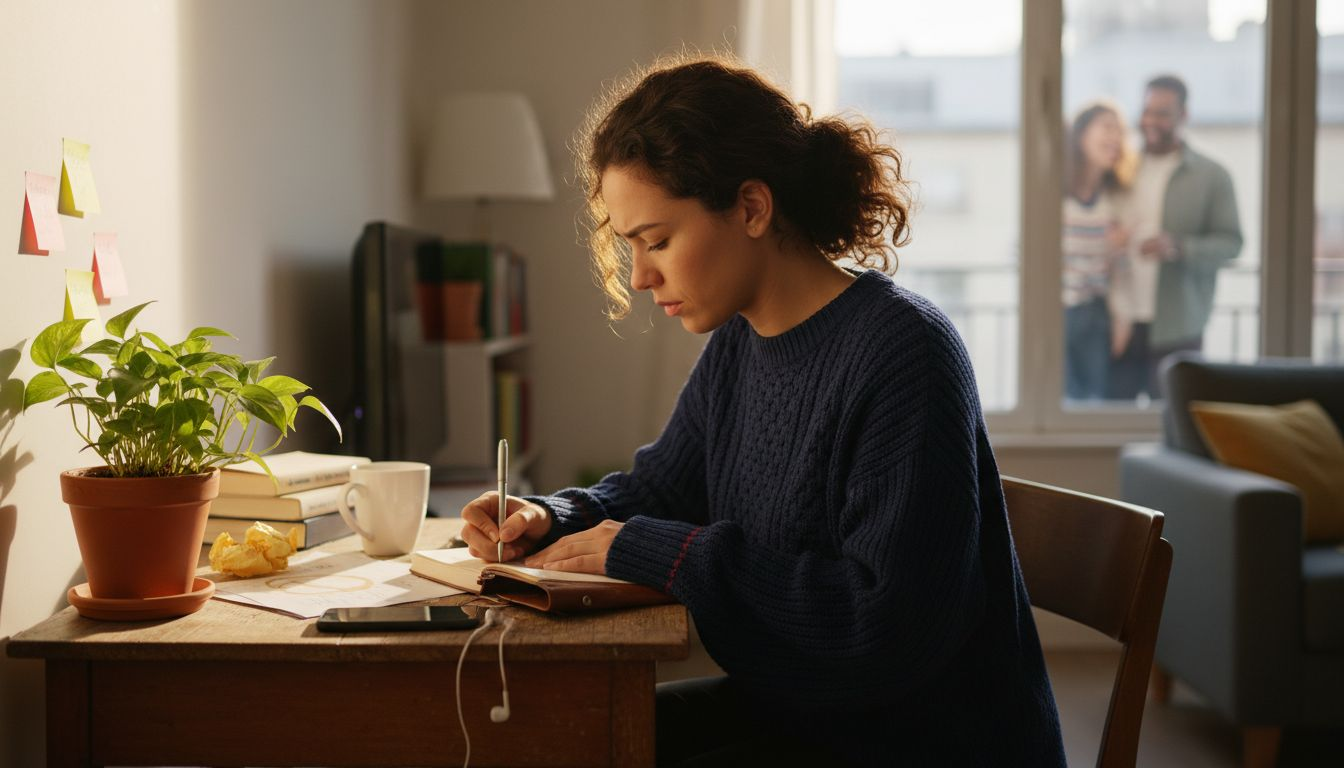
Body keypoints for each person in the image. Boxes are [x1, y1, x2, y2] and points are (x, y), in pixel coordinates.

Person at [458, 56, 1066, 767]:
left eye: (657, 241)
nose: (641, 276)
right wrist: (550, 515)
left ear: (751, 207)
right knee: (557, 734)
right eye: (631, 247)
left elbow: (881, 627)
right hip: (803, 716)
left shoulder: (904, 352)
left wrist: (659, 549)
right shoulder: (742, 343)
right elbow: (661, 492)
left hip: (915, 741)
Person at [1107, 74, 1243, 401]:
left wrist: (1179, 247)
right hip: (1120, 322)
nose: (1151, 121)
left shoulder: (1211, 176)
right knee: (1109, 423)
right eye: (1146, 111)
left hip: (1178, 325)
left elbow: (1231, 244)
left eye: (1162, 113)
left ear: (1184, 116)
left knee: (1172, 424)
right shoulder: (1122, 169)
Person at [1062, 101, 1134, 402]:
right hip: (1057, 313)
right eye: (1107, 127)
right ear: (1081, 136)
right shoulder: (1056, 196)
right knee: (1061, 399)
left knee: (1094, 402)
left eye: (1119, 131)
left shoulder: (1114, 199)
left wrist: (1122, 320)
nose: (1115, 137)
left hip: (1095, 314)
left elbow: (1121, 268)